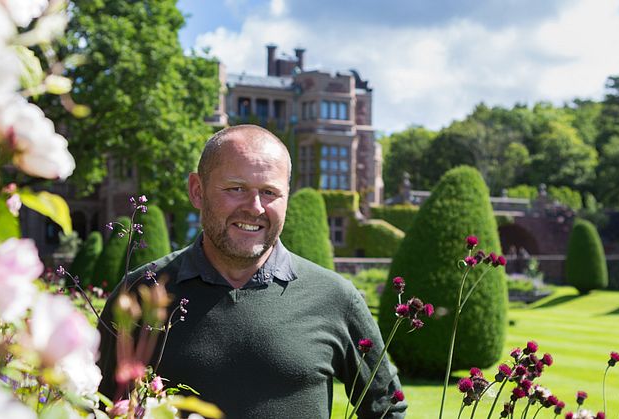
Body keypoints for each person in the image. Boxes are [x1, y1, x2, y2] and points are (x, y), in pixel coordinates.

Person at [97, 125, 406, 418]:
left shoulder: (334, 298)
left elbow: (386, 408)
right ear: (197, 190)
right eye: (236, 188)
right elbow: (98, 407)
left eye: (269, 192)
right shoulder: (140, 293)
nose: (255, 207)